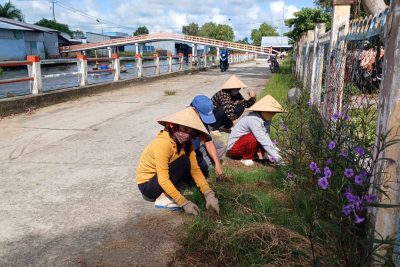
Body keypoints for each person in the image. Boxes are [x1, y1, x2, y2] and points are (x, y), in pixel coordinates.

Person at [136, 107, 220, 215]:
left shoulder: (187, 144)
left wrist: (209, 194)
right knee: (184, 161)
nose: (187, 134)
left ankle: (174, 189)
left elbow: (195, 170)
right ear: (173, 125)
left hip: (161, 178)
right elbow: (163, 179)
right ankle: (162, 198)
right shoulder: (163, 144)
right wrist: (184, 203)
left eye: (191, 132)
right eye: (184, 129)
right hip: (148, 186)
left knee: (189, 163)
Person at [227, 95, 284, 166]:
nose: (272, 114)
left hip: (244, 144)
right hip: (234, 149)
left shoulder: (265, 119)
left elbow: (266, 135)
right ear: (262, 111)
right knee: (253, 137)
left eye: (274, 112)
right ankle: (246, 158)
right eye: (270, 112)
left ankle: (258, 154)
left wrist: (273, 148)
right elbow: (262, 139)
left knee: (260, 136)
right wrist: (278, 158)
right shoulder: (253, 120)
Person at [190, 95, 225, 177]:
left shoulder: (200, 120)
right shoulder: (184, 122)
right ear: (194, 110)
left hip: (196, 150)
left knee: (219, 145)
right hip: (185, 155)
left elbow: (208, 141)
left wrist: (217, 163)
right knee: (203, 168)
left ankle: (207, 164)